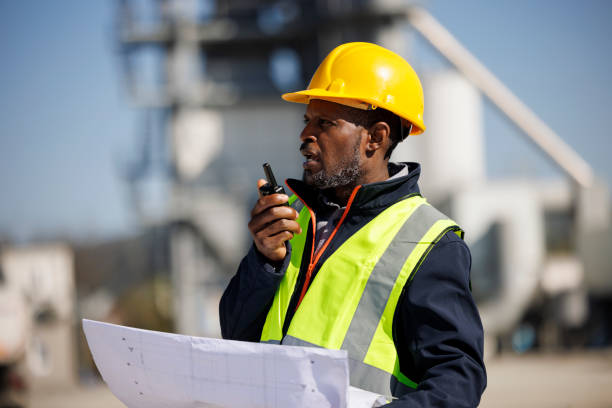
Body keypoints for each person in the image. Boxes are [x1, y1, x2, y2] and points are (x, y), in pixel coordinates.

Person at [219, 42, 486, 407]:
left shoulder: (428, 242)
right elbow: (236, 337)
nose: (305, 135)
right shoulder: (290, 218)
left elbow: (457, 383)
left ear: (375, 137)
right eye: (307, 121)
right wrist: (265, 261)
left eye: (324, 123)